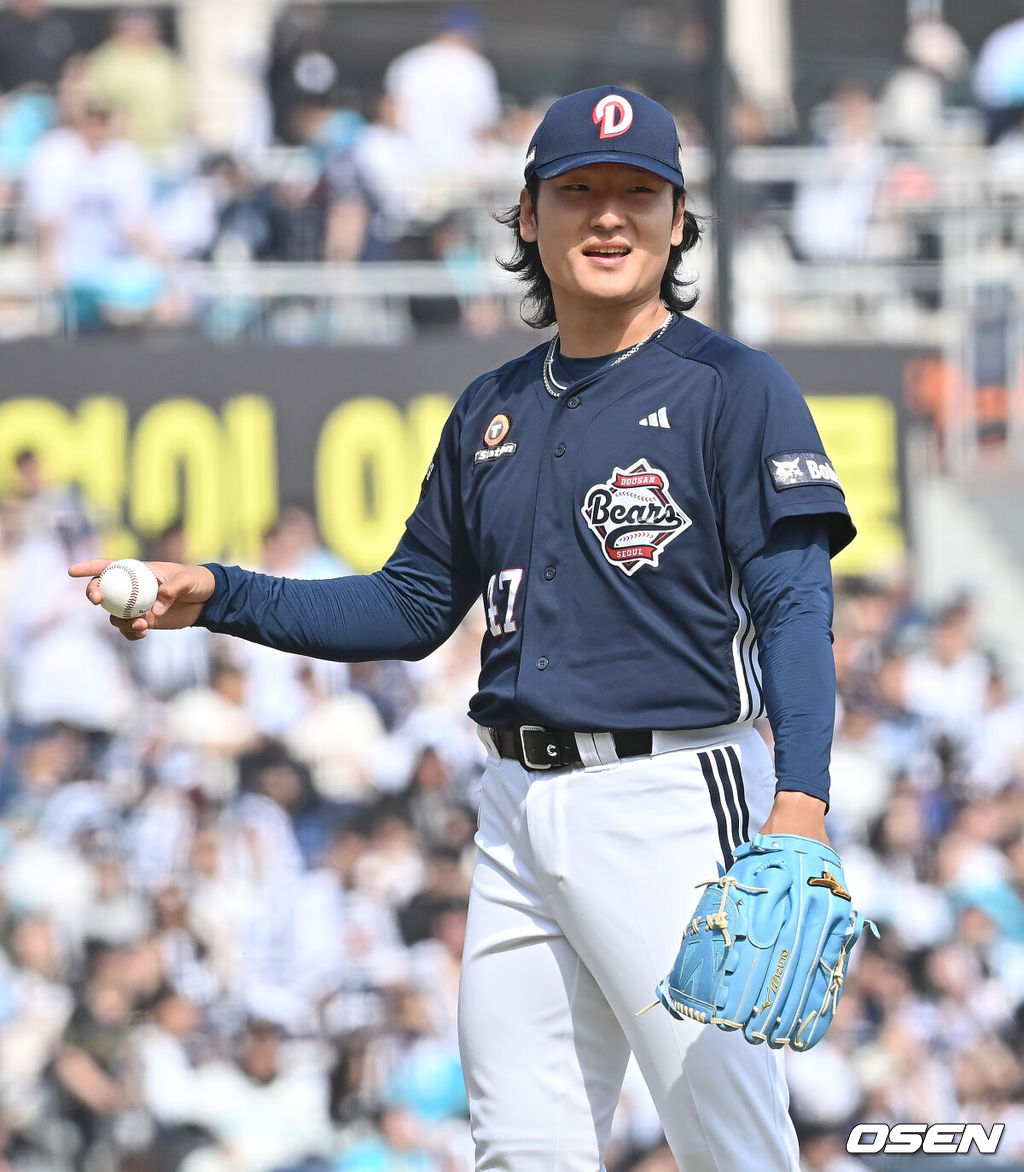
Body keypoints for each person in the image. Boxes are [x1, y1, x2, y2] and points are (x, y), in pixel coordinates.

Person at [72, 85, 856, 1171]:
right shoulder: (494, 406)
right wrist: (223, 591)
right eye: (577, 190)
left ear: (680, 219)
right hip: (514, 807)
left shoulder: (733, 385)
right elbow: (408, 606)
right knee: (519, 1152)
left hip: (671, 801)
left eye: (639, 191)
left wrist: (801, 805)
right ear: (528, 215)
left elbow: (794, 607)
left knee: (736, 1150)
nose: (609, 215)